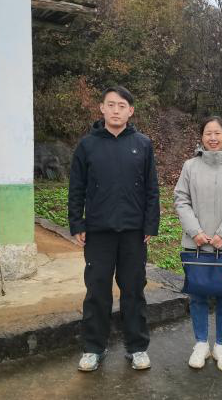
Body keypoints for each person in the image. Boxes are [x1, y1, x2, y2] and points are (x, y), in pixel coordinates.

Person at [68, 85, 160, 372]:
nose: (116, 110)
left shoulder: (142, 144)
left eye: (122, 106)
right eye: (111, 105)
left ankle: (137, 347)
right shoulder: (87, 145)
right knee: (97, 290)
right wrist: (77, 222)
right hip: (98, 231)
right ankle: (93, 348)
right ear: (102, 108)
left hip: (134, 232)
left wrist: (150, 224)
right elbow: (76, 188)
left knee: (133, 289)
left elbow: (152, 189)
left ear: (130, 111)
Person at [174, 116, 222, 372]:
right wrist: (195, 231)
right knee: (197, 296)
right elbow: (181, 200)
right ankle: (200, 344)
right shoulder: (190, 166)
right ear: (202, 137)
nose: (213, 137)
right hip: (195, 243)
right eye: (208, 133)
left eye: (218, 133)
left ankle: (221, 346)